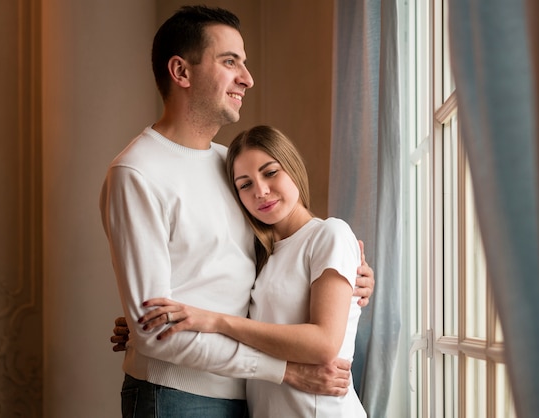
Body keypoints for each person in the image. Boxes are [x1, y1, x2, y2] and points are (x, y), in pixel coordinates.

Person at [100, 5, 374, 418]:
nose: (247, 78)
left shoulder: (233, 165)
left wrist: (347, 276)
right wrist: (283, 371)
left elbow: (262, 257)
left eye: (244, 63)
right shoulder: (136, 172)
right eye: (230, 62)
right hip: (177, 396)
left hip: (252, 397)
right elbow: (155, 332)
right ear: (182, 72)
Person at [139, 125, 367, 417]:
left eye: (270, 172)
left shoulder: (330, 234)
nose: (260, 191)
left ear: (293, 167)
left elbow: (323, 345)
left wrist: (216, 322)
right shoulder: (262, 256)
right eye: (245, 185)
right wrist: (148, 320)